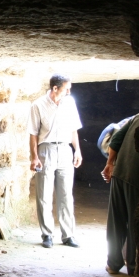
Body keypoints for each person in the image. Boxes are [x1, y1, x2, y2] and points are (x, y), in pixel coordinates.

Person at [28, 74, 83, 248]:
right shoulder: (38, 105)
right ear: (55, 88)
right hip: (46, 150)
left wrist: (77, 150)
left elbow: (73, 129)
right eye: (66, 89)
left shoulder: (70, 102)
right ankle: (47, 235)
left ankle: (68, 235)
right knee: (44, 194)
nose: (69, 92)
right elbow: (33, 134)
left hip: (65, 149)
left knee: (66, 194)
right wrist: (34, 157)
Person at [101, 112, 139, 275]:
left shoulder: (137, 117)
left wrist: (109, 164)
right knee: (134, 221)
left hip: (119, 172)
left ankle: (113, 263)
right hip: (136, 177)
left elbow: (116, 140)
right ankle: (133, 266)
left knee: (115, 220)